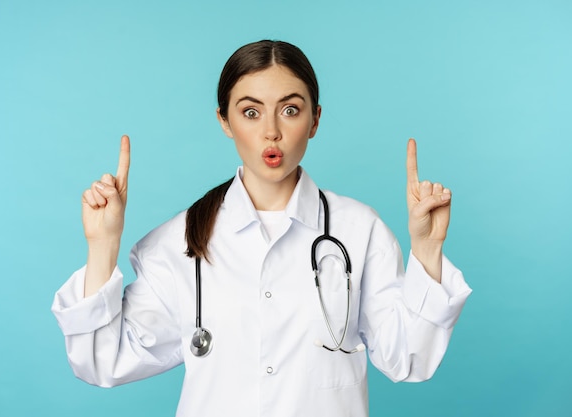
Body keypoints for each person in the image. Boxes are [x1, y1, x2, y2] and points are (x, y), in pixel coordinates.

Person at [52, 40, 471, 417]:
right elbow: (101, 362)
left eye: (290, 109)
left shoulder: (360, 231)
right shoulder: (179, 241)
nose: (271, 131)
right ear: (224, 121)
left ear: (315, 120)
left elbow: (409, 359)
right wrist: (102, 245)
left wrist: (428, 249)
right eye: (251, 112)